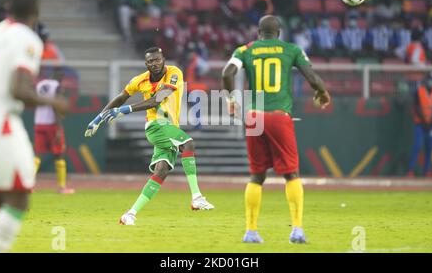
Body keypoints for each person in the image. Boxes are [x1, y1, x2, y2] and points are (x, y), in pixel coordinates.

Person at [221, 15, 330, 244]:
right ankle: (297, 230)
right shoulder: (291, 49)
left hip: (254, 116)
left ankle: (251, 232)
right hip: (279, 116)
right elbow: (311, 77)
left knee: (257, 175)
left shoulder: (245, 49)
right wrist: (322, 92)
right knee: (290, 174)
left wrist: (231, 99)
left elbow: (227, 74)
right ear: (279, 32)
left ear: (258, 32)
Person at [84, 47, 215, 225]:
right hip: (157, 126)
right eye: (150, 61)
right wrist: (98, 118)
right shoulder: (139, 80)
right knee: (188, 144)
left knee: (161, 171)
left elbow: (158, 98)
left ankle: (130, 214)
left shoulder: (174, 73)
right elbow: (121, 97)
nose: (154, 63)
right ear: (146, 64)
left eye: (157, 60)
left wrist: (127, 109)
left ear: (163, 60)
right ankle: (197, 197)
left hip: (169, 127)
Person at [0, 0, 69, 252]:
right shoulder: (28, 39)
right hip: (1, 121)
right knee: (20, 198)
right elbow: (19, 90)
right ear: (36, 10)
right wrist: (53, 101)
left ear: (9, 6)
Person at [33, 70, 74, 194]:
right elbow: (55, 105)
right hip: (51, 124)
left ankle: (27, 185)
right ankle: (62, 187)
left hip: (39, 122)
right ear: (60, 78)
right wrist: (58, 126)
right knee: (59, 153)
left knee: (37, 155)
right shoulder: (56, 86)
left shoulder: (40, 85)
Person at [407, 71, 432, 178]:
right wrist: (424, 121)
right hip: (420, 124)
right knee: (417, 146)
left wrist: (431, 120)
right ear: (426, 80)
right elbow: (417, 107)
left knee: (430, 147)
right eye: (430, 80)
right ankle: (410, 170)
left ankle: (427, 170)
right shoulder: (420, 91)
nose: (431, 82)